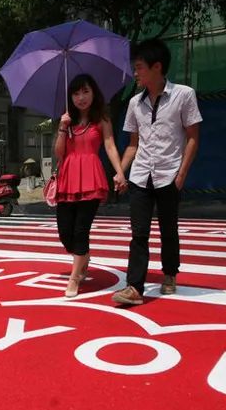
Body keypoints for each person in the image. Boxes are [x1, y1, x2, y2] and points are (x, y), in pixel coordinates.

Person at [112, 38, 202, 306]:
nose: (135, 73)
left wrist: (182, 175)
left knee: (168, 229)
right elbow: (132, 145)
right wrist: (121, 171)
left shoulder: (184, 95)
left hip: (169, 174)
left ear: (157, 67)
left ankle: (170, 273)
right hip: (140, 175)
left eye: (139, 67)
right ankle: (134, 287)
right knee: (138, 233)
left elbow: (193, 137)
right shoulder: (134, 104)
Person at [54, 73, 127, 298]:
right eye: (76, 93)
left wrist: (120, 172)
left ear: (94, 92)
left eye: (85, 91)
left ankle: (75, 277)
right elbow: (59, 153)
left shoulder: (101, 118)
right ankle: (83, 256)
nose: (81, 97)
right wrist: (62, 127)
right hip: (68, 178)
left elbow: (110, 145)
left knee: (80, 230)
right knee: (65, 232)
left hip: (91, 177)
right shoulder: (67, 120)